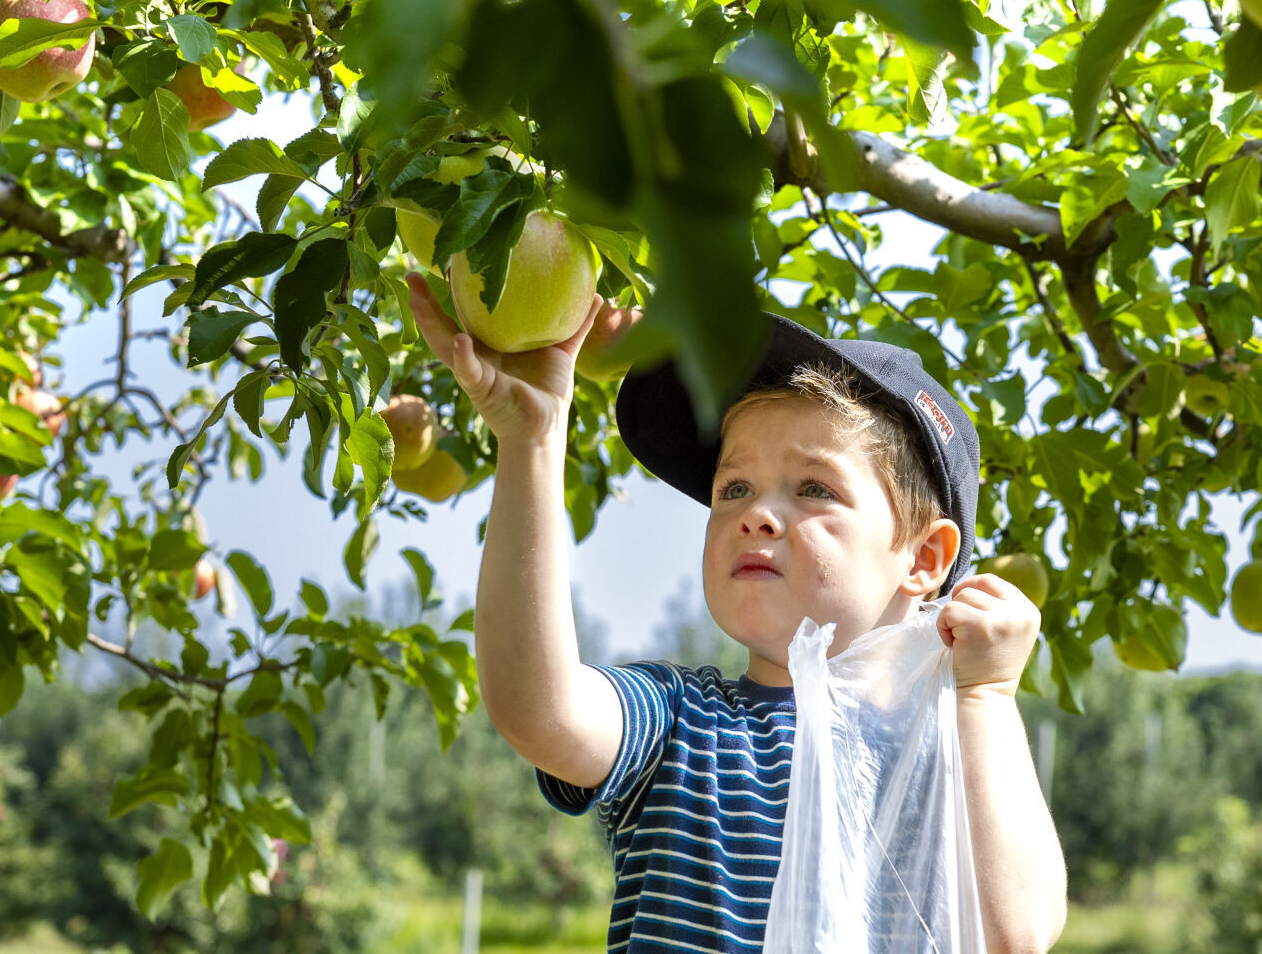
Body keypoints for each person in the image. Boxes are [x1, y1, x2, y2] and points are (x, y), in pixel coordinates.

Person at [406, 274, 1069, 951]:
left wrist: (987, 695)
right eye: (734, 488)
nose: (757, 514)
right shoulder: (678, 721)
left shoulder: (950, 755)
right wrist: (533, 440)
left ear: (924, 558)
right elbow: (537, 708)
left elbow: (1015, 934)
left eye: (814, 488)